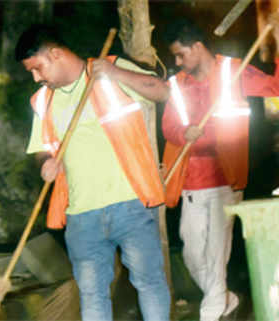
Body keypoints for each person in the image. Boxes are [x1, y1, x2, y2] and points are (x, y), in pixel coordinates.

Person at [15, 24, 170, 321]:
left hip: (131, 204)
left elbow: (162, 91)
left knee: (149, 282)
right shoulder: (42, 101)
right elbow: (42, 149)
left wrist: (116, 75)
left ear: (56, 54)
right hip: (81, 215)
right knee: (91, 293)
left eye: (37, 68)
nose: (36, 78)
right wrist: (46, 162)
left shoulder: (110, 69)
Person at [161, 16, 279, 321]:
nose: (178, 61)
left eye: (181, 54)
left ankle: (210, 314)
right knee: (194, 256)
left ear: (197, 47)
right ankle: (227, 300)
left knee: (216, 253)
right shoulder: (177, 85)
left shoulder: (232, 72)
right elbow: (169, 127)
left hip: (226, 178)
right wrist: (184, 133)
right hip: (190, 181)